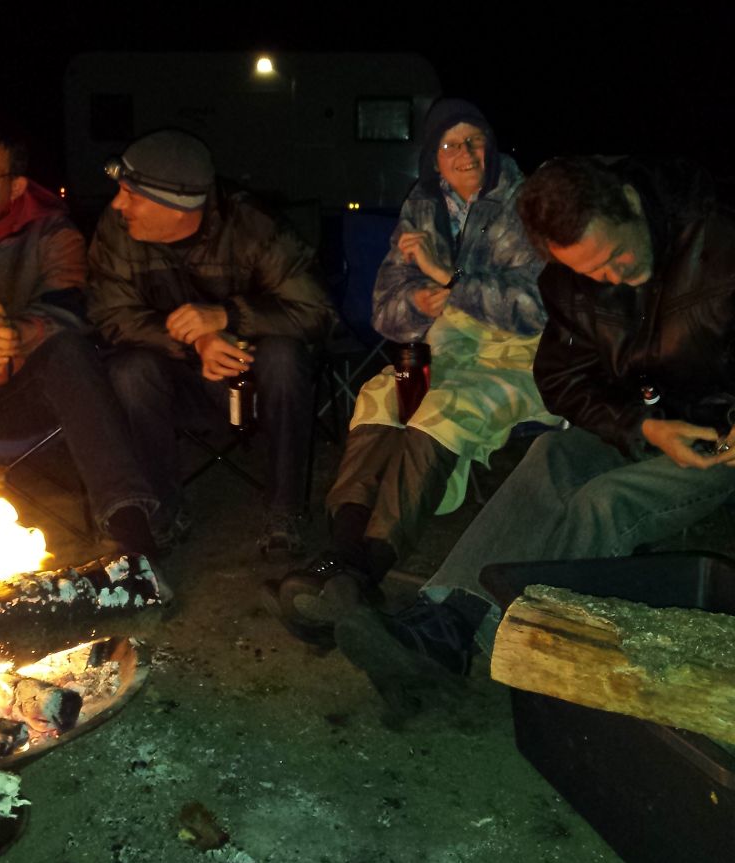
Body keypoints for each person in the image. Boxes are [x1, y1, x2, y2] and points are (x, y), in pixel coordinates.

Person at [332, 153, 735, 720]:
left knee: (604, 502)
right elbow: (562, 379)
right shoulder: (571, 280)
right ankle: (446, 618)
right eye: (593, 272)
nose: (610, 278)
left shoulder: (719, 239)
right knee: (551, 453)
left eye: (616, 258)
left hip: (719, 442)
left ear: (630, 202)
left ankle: (521, 644)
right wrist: (641, 426)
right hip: (643, 422)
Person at [266, 98, 552, 640]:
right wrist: (418, 304)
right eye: (450, 144)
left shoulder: (528, 204)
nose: (466, 153)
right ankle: (342, 560)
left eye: (475, 140)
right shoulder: (423, 207)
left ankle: (365, 568)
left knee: (441, 408)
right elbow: (384, 310)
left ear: (491, 146)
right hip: (442, 347)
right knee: (383, 394)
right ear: (433, 157)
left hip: (515, 356)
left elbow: (535, 307)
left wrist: (448, 279)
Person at [87, 128, 334, 555]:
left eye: (131, 195)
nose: (117, 204)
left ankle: (285, 508)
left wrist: (227, 316)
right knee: (130, 369)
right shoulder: (117, 231)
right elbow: (109, 314)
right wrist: (195, 340)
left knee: (283, 355)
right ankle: (162, 510)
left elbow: (317, 311)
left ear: (176, 208)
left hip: (250, 381)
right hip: (174, 380)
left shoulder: (255, 227)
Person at [0, 131, 158, 559]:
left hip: (27, 399)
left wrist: (14, 336)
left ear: (17, 186)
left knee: (70, 351)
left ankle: (129, 531)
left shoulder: (53, 231)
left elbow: (72, 305)